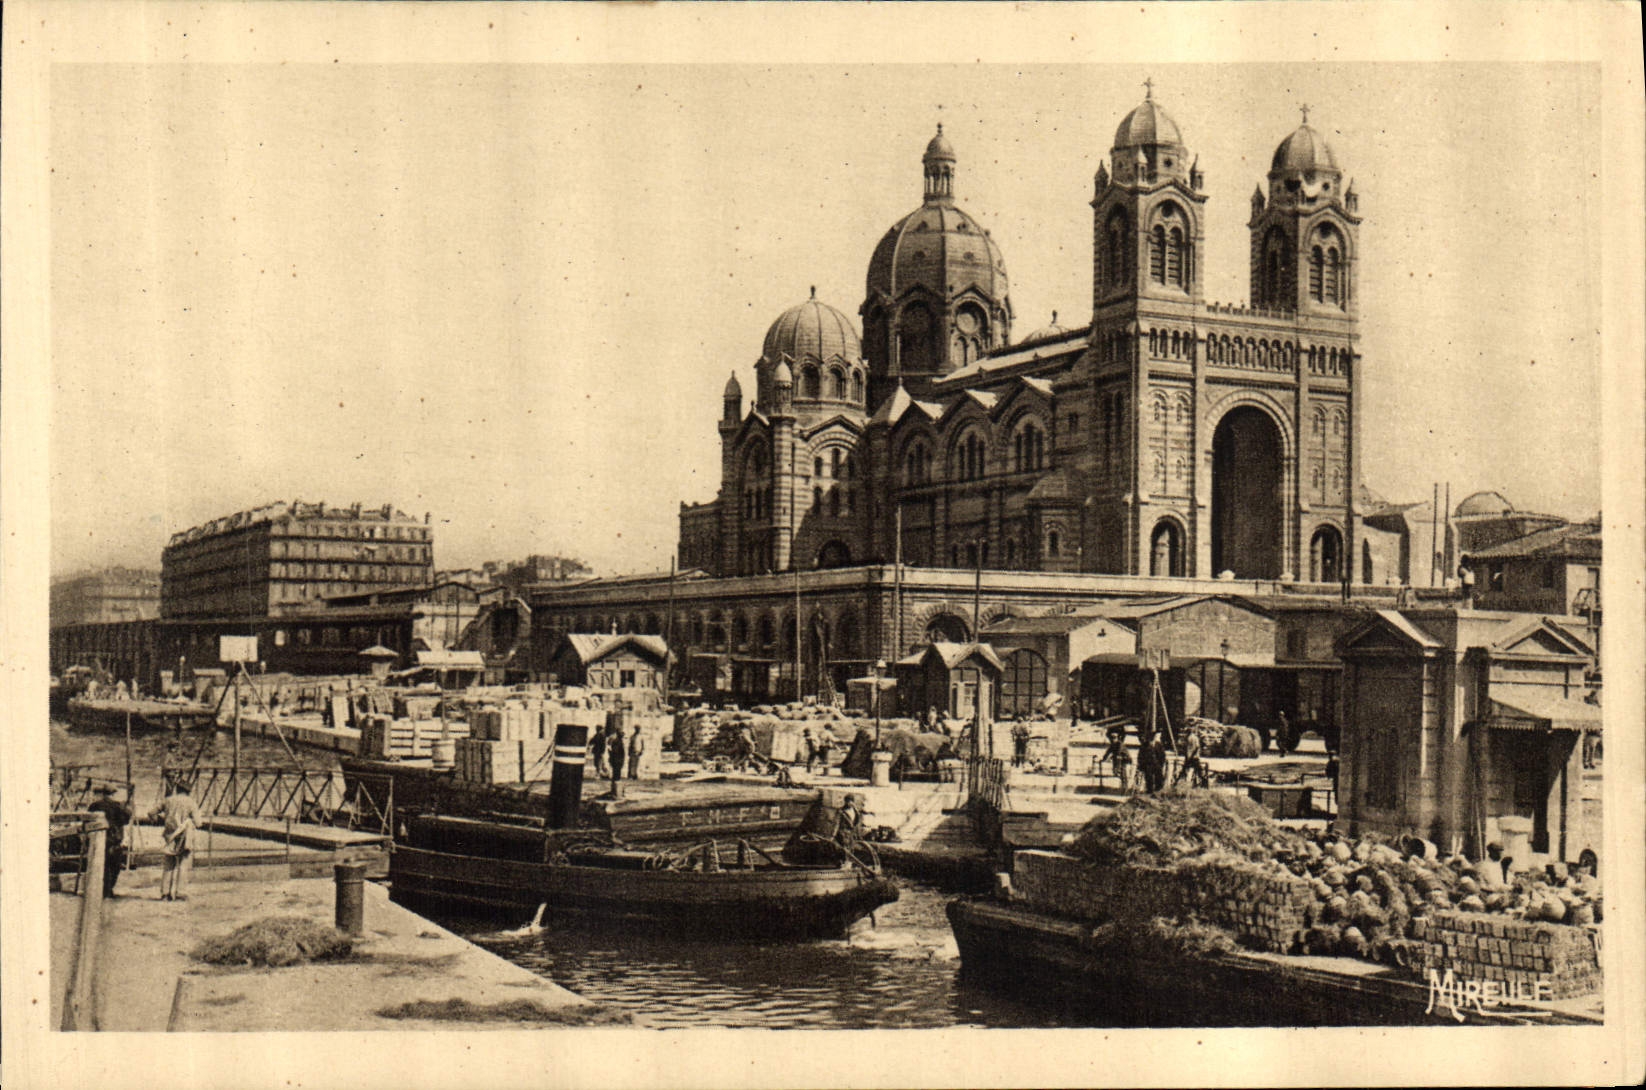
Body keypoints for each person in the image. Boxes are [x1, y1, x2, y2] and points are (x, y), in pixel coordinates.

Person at [147, 780, 200, 901]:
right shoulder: (191, 803)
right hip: (184, 837)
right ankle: (180, 893)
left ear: (177, 789)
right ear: (188, 791)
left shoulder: (168, 800)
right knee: (183, 865)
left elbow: (151, 813)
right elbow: (198, 823)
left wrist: (159, 821)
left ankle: (165, 894)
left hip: (170, 836)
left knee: (168, 865)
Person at [86, 785, 131, 898]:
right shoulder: (117, 806)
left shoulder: (94, 805)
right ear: (113, 794)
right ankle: (108, 889)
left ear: (103, 793)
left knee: (100, 865)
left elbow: (87, 821)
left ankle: (101, 890)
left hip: (96, 839)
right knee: (114, 866)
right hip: (113, 840)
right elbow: (125, 820)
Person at [606, 721, 626, 797]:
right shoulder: (617, 742)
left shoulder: (618, 741)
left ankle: (615, 791)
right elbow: (616, 752)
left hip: (617, 761)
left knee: (616, 776)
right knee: (616, 776)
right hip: (617, 761)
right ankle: (616, 792)